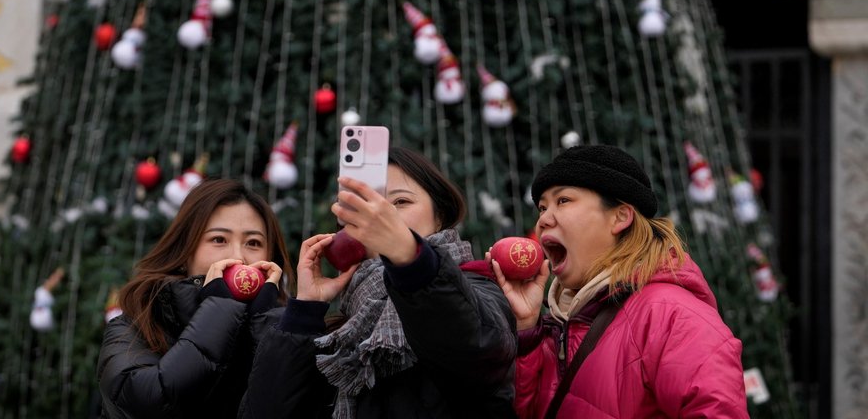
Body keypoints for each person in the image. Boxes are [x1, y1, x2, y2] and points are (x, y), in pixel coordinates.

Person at [240, 147, 517, 418]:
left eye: (400, 202)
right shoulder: (340, 329)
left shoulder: (478, 289)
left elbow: (474, 347)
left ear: (440, 217)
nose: (382, 215)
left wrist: (409, 257)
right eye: (366, 206)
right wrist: (305, 311)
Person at [491, 144, 749, 418]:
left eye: (563, 200)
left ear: (620, 216)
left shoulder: (671, 314)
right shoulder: (562, 322)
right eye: (542, 207)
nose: (543, 219)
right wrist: (526, 331)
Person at [96, 178, 294, 419]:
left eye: (253, 243)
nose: (238, 258)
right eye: (219, 239)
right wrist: (219, 309)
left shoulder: (290, 333)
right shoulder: (136, 328)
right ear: (185, 252)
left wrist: (267, 325)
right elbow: (145, 403)